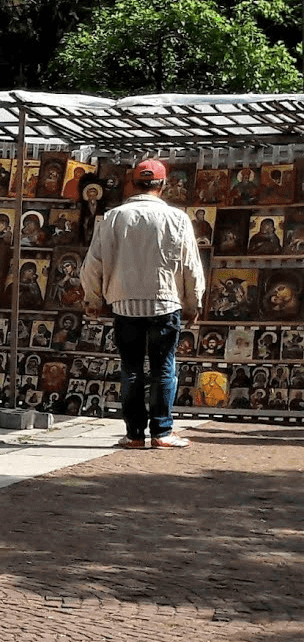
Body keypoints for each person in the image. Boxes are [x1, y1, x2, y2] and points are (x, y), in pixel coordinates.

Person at [82, 158, 206, 450]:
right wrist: (194, 302)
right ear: (162, 185)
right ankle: (162, 432)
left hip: (124, 304)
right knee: (164, 367)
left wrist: (92, 298)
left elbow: (93, 263)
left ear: (133, 184)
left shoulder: (113, 217)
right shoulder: (177, 218)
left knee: (131, 368)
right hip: (165, 302)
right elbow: (191, 265)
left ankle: (134, 434)